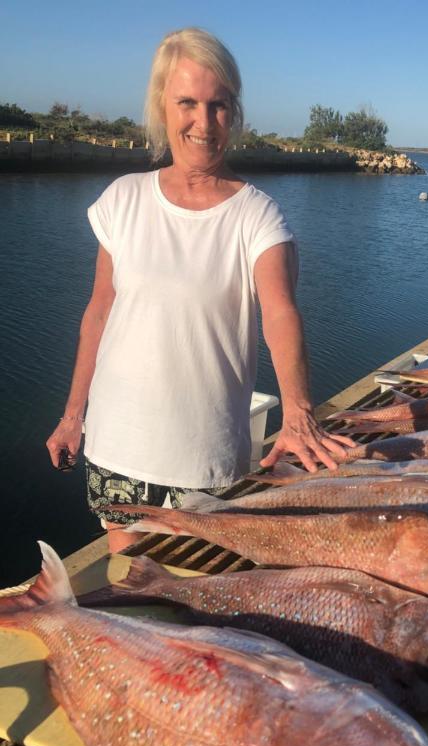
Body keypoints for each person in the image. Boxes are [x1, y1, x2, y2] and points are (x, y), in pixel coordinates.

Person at [46, 27, 353, 552]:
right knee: (133, 594)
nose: (203, 122)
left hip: (204, 459)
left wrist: (299, 412)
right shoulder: (122, 199)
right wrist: (73, 416)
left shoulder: (257, 214)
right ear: (161, 104)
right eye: (187, 102)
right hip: (117, 447)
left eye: (218, 105)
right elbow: (100, 311)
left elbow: (280, 313)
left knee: (198, 604)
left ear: (234, 113)